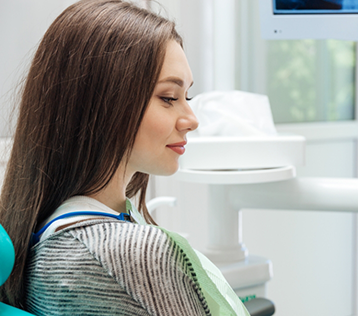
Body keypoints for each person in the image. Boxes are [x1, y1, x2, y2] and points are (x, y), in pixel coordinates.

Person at [0, 1, 248, 315]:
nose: (191, 119)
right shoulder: (128, 252)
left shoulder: (41, 235)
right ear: (102, 103)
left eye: (188, 97)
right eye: (168, 98)